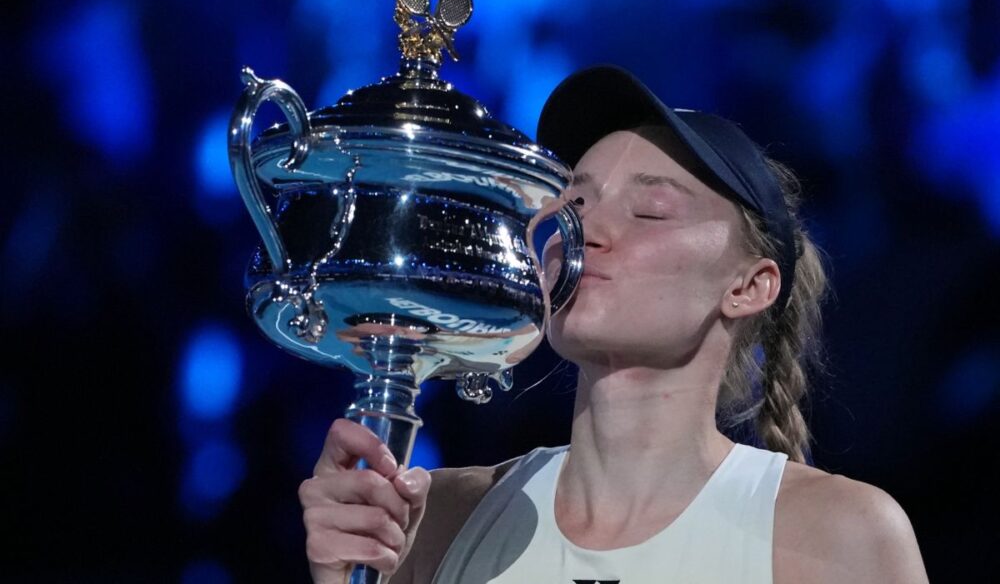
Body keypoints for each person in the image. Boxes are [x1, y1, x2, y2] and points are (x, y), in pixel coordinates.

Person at [297, 66, 930, 583]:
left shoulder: (839, 537)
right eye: (571, 203)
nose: (585, 231)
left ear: (749, 286)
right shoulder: (435, 519)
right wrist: (341, 577)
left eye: (651, 211)